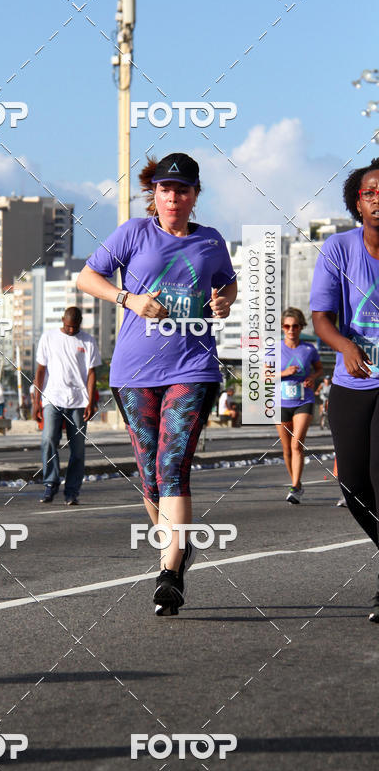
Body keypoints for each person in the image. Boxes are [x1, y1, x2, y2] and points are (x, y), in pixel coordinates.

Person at [76, 152, 237, 616]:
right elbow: (87, 277)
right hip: (133, 373)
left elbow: (227, 284)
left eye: (182, 190)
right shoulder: (133, 233)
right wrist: (127, 298)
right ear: (155, 194)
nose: (173, 197)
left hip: (192, 368)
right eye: (166, 189)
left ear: (195, 196)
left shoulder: (210, 241)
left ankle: (169, 570)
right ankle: (178, 548)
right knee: (149, 474)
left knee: (172, 464)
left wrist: (223, 302)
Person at [310, 158, 379, 622]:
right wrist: (344, 347)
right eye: (371, 192)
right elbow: (321, 319)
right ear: (358, 202)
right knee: (353, 485)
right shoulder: (338, 248)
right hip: (353, 380)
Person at [33, 307, 101, 505]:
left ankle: (71, 491)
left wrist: (91, 401)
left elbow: (91, 373)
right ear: (63, 320)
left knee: (77, 450)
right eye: (68, 326)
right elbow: (40, 371)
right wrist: (36, 402)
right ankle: (50, 483)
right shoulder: (48, 337)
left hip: (78, 401)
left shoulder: (88, 341)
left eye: (75, 327)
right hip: (52, 398)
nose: (71, 330)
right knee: (48, 440)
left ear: (80, 323)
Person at [276, 307, 323, 504]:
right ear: (282, 327)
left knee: (297, 444)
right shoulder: (275, 349)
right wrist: (284, 373)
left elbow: (319, 370)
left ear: (301, 326)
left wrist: (312, 377)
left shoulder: (309, 349)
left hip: (304, 400)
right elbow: (262, 376)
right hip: (281, 402)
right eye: (287, 326)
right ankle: (297, 482)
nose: (291, 330)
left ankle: (295, 487)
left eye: (295, 326)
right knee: (287, 449)